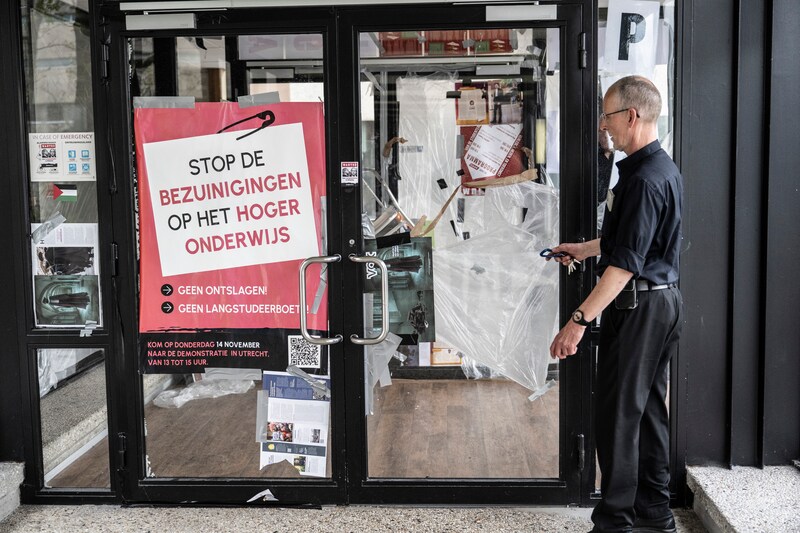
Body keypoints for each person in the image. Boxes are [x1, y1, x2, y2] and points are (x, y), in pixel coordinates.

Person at [549, 76, 683, 533]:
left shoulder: (644, 180)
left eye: (607, 117)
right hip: (662, 303)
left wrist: (578, 321)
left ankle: (615, 522)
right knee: (646, 412)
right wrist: (583, 249)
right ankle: (654, 512)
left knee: (618, 417)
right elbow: (628, 243)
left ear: (631, 116)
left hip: (639, 307)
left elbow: (625, 266)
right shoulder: (658, 169)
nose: (603, 127)